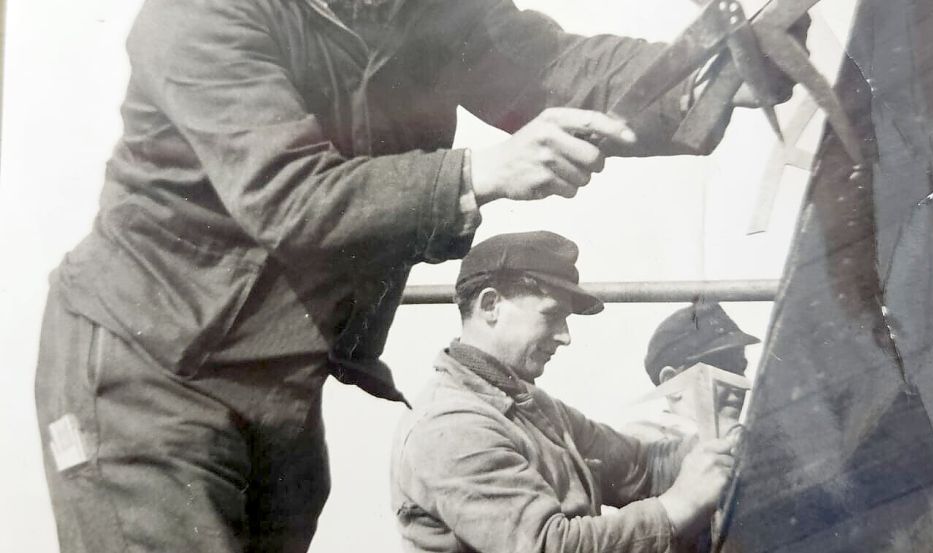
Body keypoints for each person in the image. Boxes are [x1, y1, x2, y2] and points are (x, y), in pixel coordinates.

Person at [34, 1, 788, 551]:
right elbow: (289, 195)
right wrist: (479, 173)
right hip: (147, 370)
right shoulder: (202, 17)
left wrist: (711, 75)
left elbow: (553, 65)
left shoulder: (417, 11)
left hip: (278, 380)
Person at [391, 231, 739, 552]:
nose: (565, 336)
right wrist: (678, 506)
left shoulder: (529, 405)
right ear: (490, 305)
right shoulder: (450, 426)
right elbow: (548, 545)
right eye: (552, 315)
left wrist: (727, 446)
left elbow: (641, 466)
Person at [623, 302, 760, 442]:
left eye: (741, 368)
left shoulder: (750, 445)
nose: (740, 385)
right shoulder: (643, 452)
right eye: (723, 370)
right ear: (672, 383)